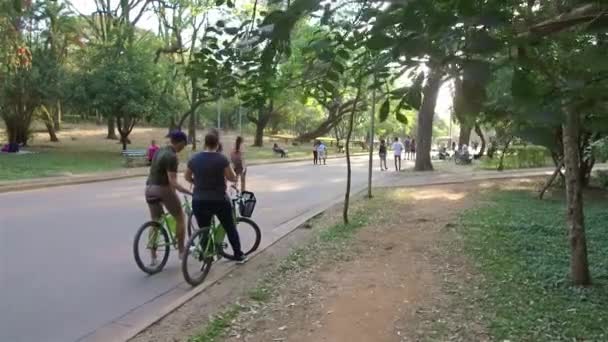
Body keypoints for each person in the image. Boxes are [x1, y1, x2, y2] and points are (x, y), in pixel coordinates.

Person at [185, 133, 247, 263]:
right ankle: (238, 255)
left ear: (205, 143)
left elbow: (186, 177)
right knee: (230, 226)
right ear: (217, 144)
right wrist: (235, 175)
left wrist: (197, 183)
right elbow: (231, 177)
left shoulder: (194, 158)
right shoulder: (222, 159)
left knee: (203, 230)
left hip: (199, 200)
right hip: (219, 200)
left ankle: (207, 255)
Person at [145, 131, 192, 264]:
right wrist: (186, 191)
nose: (184, 147)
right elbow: (172, 182)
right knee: (180, 217)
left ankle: (153, 257)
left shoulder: (159, 151)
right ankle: (182, 252)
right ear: (181, 143)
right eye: (185, 144)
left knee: (156, 221)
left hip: (149, 189)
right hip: (162, 189)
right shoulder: (172, 156)